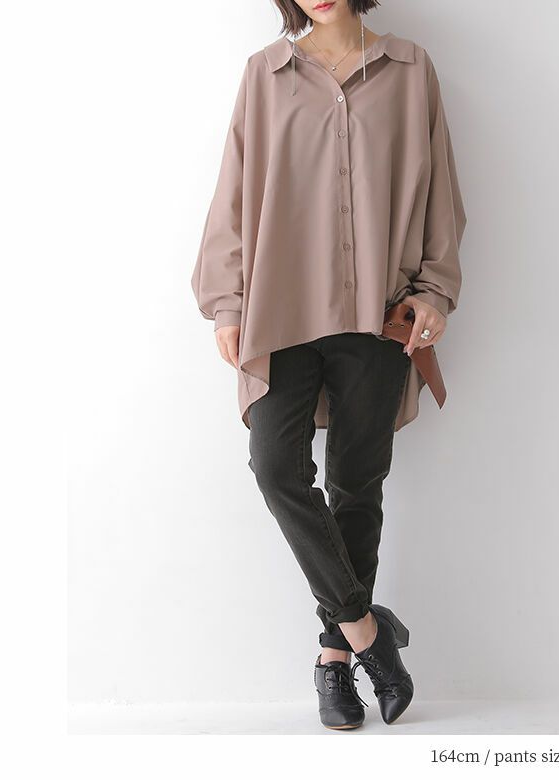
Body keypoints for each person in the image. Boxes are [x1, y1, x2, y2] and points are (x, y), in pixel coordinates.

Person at [190, 0, 466, 730]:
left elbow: (441, 192)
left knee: (356, 483)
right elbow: (234, 193)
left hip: (379, 312)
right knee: (275, 466)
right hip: (280, 312)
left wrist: (434, 290)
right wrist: (226, 302)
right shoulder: (264, 74)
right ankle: (370, 633)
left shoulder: (410, 69)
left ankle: (334, 659)